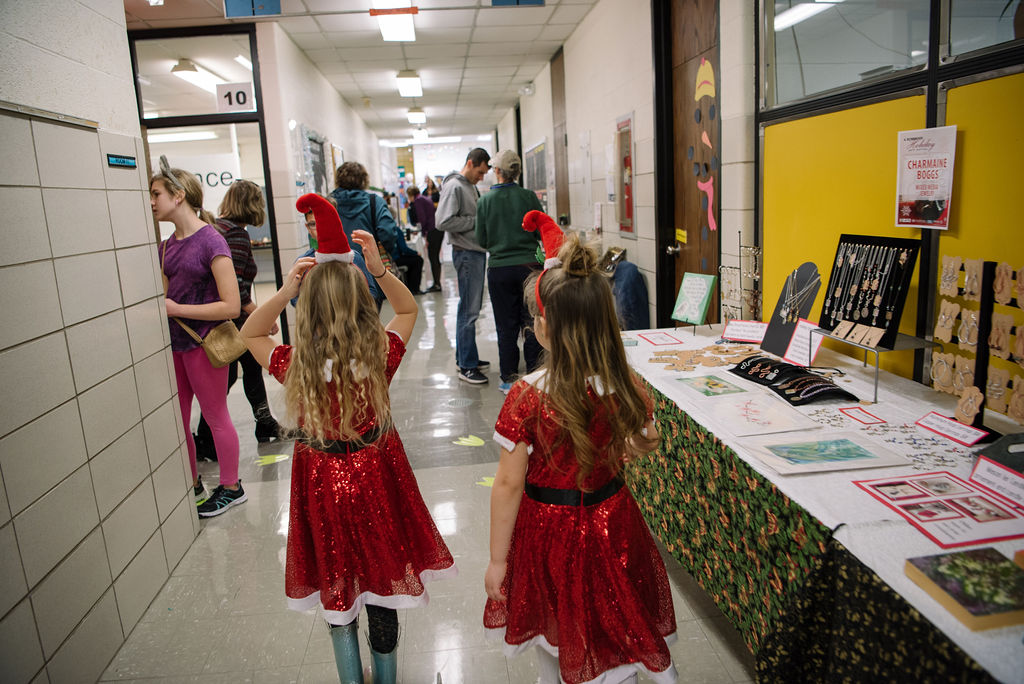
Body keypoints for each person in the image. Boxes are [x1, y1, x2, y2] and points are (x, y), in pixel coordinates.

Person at [240, 193, 456, 684]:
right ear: (362, 302)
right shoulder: (379, 353)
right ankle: (386, 677)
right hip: (377, 473)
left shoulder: (298, 365)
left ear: (306, 306)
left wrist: (284, 289)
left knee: (338, 587)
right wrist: (378, 270)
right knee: (381, 582)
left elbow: (251, 334)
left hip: (320, 480)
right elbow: (407, 311)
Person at [483, 230, 678, 684]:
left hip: (548, 533)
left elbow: (510, 484)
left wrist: (498, 560)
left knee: (556, 626)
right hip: (614, 521)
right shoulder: (623, 384)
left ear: (546, 329)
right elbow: (647, 439)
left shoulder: (526, 396)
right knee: (616, 620)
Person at [152, 156, 246, 518]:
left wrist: (177, 309)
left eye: (157, 193)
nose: (152, 201)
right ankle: (192, 484)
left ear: (178, 196)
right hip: (174, 347)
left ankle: (231, 486)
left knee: (215, 415)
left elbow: (231, 306)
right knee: (178, 418)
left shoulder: (212, 241)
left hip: (205, 344)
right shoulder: (165, 247)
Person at [193, 180, 282, 461]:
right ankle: (206, 439)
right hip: (234, 320)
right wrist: (262, 317)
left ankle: (265, 423)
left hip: (220, 318)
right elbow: (238, 287)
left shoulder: (216, 228)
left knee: (250, 370)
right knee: (228, 377)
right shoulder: (237, 236)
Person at [475, 151, 544, 394]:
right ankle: (536, 375)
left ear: (497, 171)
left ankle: (509, 378)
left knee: (506, 326)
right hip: (530, 269)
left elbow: (481, 239)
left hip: (499, 270)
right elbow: (540, 230)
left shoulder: (484, 202)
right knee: (533, 322)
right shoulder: (528, 197)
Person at [436, 147, 492, 384]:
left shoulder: (469, 186)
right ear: (470, 163)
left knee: (469, 309)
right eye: (479, 172)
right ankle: (467, 366)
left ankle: (467, 357)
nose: (481, 177)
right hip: (466, 254)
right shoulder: (455, 187)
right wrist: (476, 221)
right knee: (469, 312)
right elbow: (443, 221)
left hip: (475, 252)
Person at [329, 161, 398, 306]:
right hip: (369, 271)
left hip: (335, 270)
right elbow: (388, 232)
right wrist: (383, 252)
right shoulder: (374, 202)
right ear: (364, 180)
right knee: (370, 315)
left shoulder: (328, 203)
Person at [407, 185, 441, 292]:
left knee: (433, 257)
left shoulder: (418, 201)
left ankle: (437, 284)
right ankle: (437, 283)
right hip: (437, 229)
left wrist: (424, 234)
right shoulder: (423, 198)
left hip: (432, 230)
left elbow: (422, 218)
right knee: (434, 256)